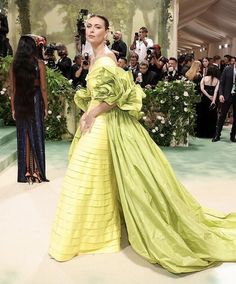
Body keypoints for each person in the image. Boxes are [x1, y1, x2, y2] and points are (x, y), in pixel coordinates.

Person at [49, 15, 236, 274]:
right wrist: (88, 110)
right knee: (95, 177)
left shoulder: (106, 58)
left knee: (86, 173)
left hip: (102, 123)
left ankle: (96, 235)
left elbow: (116, 96)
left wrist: (91, 113)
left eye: (97, 27)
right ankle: (98, 234)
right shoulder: (93, 56)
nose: (91, 30)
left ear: (107, 32)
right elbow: (98, 94)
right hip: (95, 120)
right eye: (89, 26)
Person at [9, 35, 49, 183]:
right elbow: (43, 88)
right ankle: (37, 171)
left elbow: (12, 89)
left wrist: (13, 108)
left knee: (23, 134)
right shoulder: (39, 64)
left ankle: (25, 171)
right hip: (35, 98)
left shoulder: (14, 65)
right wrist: (45, 106)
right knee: (36, 133)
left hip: (20, 100)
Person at [212, 62, 236, 142]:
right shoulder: (227, 69)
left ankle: (233, 136)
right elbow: (222, 83)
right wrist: (221, 94)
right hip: (226, 96)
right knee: (222, 115)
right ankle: (217, 135)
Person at [198, 66, 219, 138]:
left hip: (204, 99)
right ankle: (210, 134)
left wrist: (208, 96)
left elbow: (202, 89)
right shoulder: (217, 80)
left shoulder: (204, 78)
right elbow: (216, 91)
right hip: (212, 99)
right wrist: (213, 101)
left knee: (203, 115)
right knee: (211, 117)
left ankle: (201, 133)